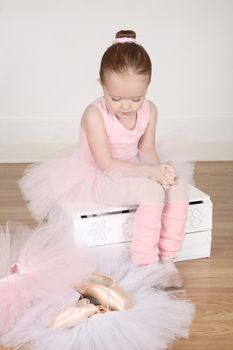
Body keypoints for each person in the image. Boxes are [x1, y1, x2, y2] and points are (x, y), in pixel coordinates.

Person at [19, 29, 192, 288]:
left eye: (136, 98)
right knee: (152, 193)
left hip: (133, 167)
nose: (126, 106)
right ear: (101, 84)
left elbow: (146, 150)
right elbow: (105, 163)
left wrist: (159, 169)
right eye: (116, 98)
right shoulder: (94, 114)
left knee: (177, 187)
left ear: (147, 88)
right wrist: (149, 174)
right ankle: (145, 263)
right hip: (101, 176)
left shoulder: (150, 110)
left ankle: (167, 258)